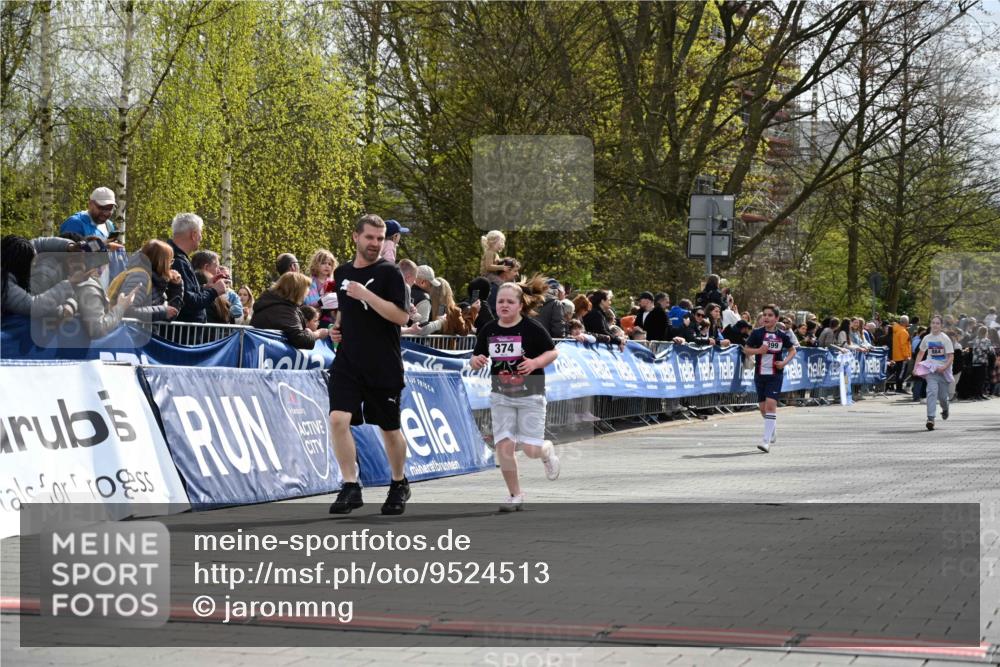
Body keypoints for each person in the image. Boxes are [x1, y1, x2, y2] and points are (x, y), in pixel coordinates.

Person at [327, 214, 411, 516]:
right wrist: (337, 328)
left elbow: (402, 317)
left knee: (389, 429)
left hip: (383, 362)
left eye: (380, 238)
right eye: (370, 238)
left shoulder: (390, 273)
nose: (375, 244)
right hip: (348, 360)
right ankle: (351, 485)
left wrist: (367, 295)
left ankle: (399, 482)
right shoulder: (342, 273)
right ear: (356, 238)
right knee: (338, 419)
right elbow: (346, 312)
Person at [470, 276, 560, 511]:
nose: (504, 305)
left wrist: (534, 363)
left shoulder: (531, 327)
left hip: (530, 394)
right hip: (501, 395)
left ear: (520, 305)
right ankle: (515, 495)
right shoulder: (489, 329)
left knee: (530, 450)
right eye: (501, 301)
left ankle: (546, 450)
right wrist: (476, 361)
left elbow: (553, 353)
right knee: (504, 447)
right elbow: (475, 357)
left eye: (510, 301)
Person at [743, 304, 797, 453]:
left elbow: (793, 350)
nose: (766, 317)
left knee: (771, 405)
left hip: (775, 375)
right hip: (760, 375)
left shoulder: (782, 335)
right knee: (762, 409)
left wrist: (784, 362)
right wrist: (758, 351)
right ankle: (771, 430)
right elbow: (746, 349)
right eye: (764, 315)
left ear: (776, 318)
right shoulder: (757, 333)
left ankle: (765, 442)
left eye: (770, 315)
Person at [1, 234, 82, 320]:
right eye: (32, 263)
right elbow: (33, 307)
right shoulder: (4, 284)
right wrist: (70, 284)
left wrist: (70, 247)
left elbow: (41, 243)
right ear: (20, 266)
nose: (36, 265)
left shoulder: (15, 252)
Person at [168, 213, 227, 323]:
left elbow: (185, 292)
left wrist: (205, 287)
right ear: (194, 235)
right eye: (201, 232)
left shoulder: (175, 257)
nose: (201, 237)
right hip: (182, 336)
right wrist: (214, 291)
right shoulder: (177, 261)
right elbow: (189, 302)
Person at [250, 272, 329, 349]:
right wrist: (317, 334)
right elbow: (300, 339)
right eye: (306, 289)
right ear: (297, 290)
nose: (307, 294)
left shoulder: (272, 302)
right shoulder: (284, 310)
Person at [110, 239, 183, 321]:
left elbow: (171, 314)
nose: (171, 265)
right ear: (162, 262)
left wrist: (176, 285)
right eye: (170, 261)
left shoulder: (154, 279)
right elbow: (126, 310)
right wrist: (162, 311)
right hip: (131, 332)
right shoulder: (140, 277)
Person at [912, 315, 953, 430]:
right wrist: (915, 368)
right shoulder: (927, 338)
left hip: (943, 371)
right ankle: (931, 418)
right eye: (933, 323)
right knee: (931, 392)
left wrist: (944, 367)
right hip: (931, 370)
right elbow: (920, 353)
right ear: (930, 324)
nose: (935, 325)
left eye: (937, 323)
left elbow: (950, 356)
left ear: (941, 326)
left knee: (943, 397)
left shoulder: (945, 338)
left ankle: (945, 409)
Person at [305, 249, 338, 326]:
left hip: (331, 318)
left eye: (329, 264)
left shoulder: (333, 283)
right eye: (323, 263)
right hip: (314, 317)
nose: (327, 266)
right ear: (316, 265)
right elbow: (308, 302)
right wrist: (323, 300)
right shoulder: (310, 282)